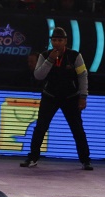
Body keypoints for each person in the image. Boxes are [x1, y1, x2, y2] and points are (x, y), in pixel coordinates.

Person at [20, 27, 93, 170]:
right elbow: (38, 76)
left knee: (77, 129)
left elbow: (82, 76)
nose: (57, 43)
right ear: (51, 41)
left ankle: (86, 160)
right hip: (50, 96)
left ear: (65, 41)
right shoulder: (45, 55)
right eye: (54, 40)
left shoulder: (75, 56)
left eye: (60, 40)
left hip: (70, 97)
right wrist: (50, 60)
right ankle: (33, 158)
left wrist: (83, 96)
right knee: (40, 127)